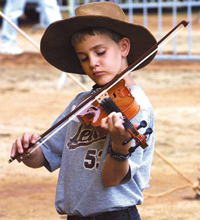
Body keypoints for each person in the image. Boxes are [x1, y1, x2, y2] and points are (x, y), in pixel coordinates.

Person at [11, 2, 157, 219]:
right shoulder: (83, 103)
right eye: (84, 58)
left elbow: (111, 180)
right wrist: (29, 152)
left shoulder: (137, 108)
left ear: (124, 47)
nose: (93, 63)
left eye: (100, 52)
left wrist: (119, 146)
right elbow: (46, 156)